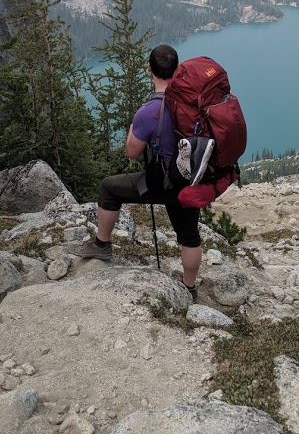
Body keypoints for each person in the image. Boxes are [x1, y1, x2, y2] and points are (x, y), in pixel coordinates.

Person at [68, 43, 202, 302]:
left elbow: (131, 152)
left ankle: (101, 245)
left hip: (157, 184)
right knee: (190, 237)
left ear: (149, 68)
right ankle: (189, 287)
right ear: (177, 69)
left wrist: (132, 128)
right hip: (186, 184)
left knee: (109, 187)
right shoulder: (192, 103)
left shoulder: (149, 111)